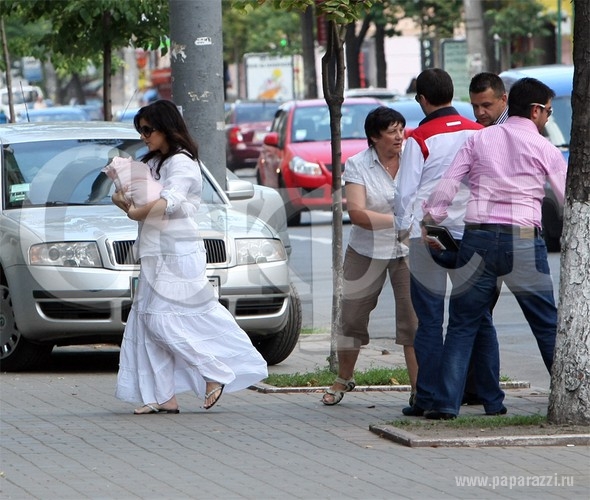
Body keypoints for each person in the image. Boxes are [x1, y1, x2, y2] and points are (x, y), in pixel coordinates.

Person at [421, 77, 567, 419]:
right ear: (534, 111)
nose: (548, 117)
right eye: (547, 111)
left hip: (479, 239)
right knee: (546, 324)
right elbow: (565, 198)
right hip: (524, 242)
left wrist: (431, 220)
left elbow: (449, 183)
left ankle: (445, 405)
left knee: (462, 324)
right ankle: (571, 397)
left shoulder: (480, 139)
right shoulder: (545, 147)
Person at [113, 100, 268, 414]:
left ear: (166, 128)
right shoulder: (156, 162)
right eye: (140, 131)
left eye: (148, 130)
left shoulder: (182, 162)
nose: (143, 137)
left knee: (161, 320)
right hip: (155, 252)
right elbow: (138, 206)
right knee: (145, 322)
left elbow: (169, 203)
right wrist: (123, 200)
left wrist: (133, 211)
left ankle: (213, 370)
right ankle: (162, 396)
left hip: (178, 252)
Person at [393, 68, 483, 417]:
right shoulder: (478, 132)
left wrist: (406, 231)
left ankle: (429, 397)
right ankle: (473, 392)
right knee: (472, 318)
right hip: (471, 233)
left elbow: (406, 193)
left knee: (429, 320)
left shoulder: (419, 138)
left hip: (428, 236)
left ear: (422, 100)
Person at [322, 106, 418, 406]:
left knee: (412, 322)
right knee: (351, 319)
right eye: (392, 131)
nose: (399, 136)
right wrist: (402, 221)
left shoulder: (415, 159)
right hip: (366, 250)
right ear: (374, 137)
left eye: (401, 129)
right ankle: (344, 377)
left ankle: (420, 390)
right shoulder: (357, 164)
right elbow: (358, 214)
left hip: (407, 250)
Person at [462, 71, 509, 405]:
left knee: (477, 314)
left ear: (503, 99)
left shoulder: (510, 132)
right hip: (486, 232)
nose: (479, 112)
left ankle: (482, 390)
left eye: (486, 105)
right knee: (479, 315)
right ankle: (479, 388)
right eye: (475, 105)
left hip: (502, 234)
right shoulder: (484, 131)